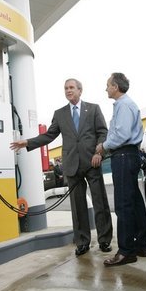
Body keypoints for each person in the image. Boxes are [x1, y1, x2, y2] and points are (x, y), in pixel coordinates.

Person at [10, 78, 113, 256]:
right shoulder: (60, 114)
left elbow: (103, 132)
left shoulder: (93, 108)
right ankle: (82, 242)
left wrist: (99, 152)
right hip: (72, 165)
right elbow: (49, 136)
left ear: (80, 90)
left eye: (71, 87)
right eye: (66, 88)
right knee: (77, 206)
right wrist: (28, 142)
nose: (68, 90)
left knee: (100, 203)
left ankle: (104, 240)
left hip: (92, 162)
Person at [95, 72, 146, 267]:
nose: (106, 88)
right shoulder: (125, 104)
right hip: (129, 155)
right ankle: (142, 244)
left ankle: (126, 251)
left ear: (115, 87)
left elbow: (122, 134)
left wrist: (104, 146)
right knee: (134, 202)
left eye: (108, 85)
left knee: (123, 205)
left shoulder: (124, 105)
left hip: (124, 155)